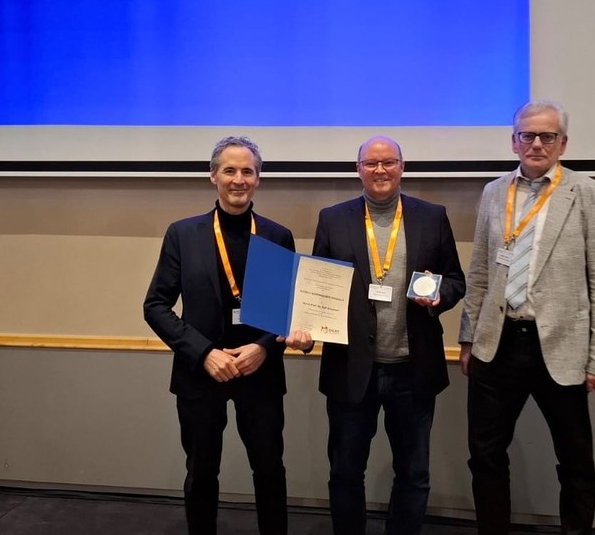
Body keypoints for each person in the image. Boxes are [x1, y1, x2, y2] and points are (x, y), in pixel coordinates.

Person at [458, 101, 595, 535]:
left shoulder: (588, 194)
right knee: (485, 455)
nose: (536, 144)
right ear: (513, 141)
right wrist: (469, 338)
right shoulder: (495, 192)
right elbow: (480, 272)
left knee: (575, 459)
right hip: (497, 344)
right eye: (527, 135)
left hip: (560, 347)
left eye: (547, 136)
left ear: (562, 144)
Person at [143, 136, 299, 535]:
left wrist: (263, 349)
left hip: (260, 374)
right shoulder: (183, 234)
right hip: (201, 374)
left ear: (258, 179)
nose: (238, 179)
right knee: (201, 472)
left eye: (248, 171)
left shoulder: (277, 236)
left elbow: (287, 310)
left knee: (270, 470)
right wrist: (204, 353)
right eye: (229, 170)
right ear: (213, 176)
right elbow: (155, 306)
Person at [311, 136, 466, 535]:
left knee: (413, 474)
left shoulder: (432, 216)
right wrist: (308, 327)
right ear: (358, 169)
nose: (380, 170)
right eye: (371, 163)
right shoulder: (333, 218)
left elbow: (455, 280)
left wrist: (439, 296)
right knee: (345, 472)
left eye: (388, 162)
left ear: (402, 167)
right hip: (351, 369)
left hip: (413, 371)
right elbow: (319, 286)